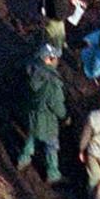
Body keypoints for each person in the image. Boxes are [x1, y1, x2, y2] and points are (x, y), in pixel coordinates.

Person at [17, 43, 66, 183]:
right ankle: (53, 173)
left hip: (31, 112)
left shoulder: (31, 69)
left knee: (32, 134)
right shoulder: (52, 82)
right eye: (55, 57)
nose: (57, 60)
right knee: (51, 144)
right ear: (49, 59)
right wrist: (65, 117)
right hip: (47, 119)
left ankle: (23, 159)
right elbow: (57, 106)